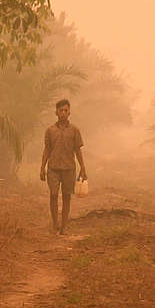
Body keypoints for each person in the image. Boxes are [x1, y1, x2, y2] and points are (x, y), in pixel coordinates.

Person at [39, 98, 86, 234]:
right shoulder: (50, 130)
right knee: (53, 195)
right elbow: (47, 149)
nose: (63, 113)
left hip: (69, 168)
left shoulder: (74, 130)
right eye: (61, 110)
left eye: (66, 110)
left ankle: (64, 226)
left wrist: (83, 168)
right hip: (53, 168)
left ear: (69, 112)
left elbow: (78, 150)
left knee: (67, 196)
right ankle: (55, 224)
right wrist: (42, 167)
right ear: (56, 112)